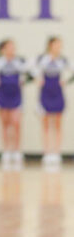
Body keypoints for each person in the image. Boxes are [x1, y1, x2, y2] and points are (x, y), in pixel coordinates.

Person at [0, 39, 30, 169]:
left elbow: (32, 72)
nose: (12, 49)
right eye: (9, 47)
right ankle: (6, 150)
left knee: (16, 123)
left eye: (13, 47)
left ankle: (16, 151)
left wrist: (25, 80)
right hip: (2, 94)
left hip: (15, 94)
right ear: (3, 49)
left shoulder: (20, 61)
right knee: (5, 123)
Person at [33, 36, 71, 167]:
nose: (59, 47)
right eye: (56, 45)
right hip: (46, 92)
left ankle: (57, 152)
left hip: (57, 92)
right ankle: (47, 152)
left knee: (58, 123)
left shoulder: (63, 60)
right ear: (50, 45)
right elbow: (31, 70)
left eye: (60, 45)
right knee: (46, 123)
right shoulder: (42, 59)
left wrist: (66, 81)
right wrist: (37, 79)